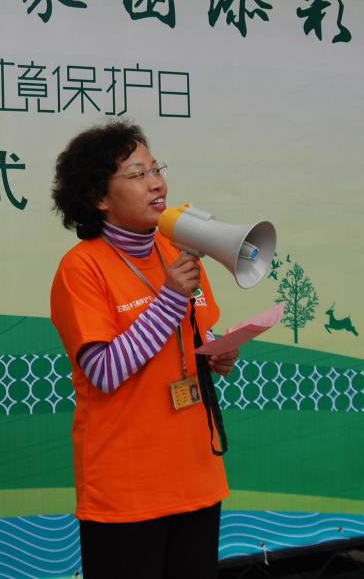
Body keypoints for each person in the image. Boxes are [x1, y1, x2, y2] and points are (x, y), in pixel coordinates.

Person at [49, 120, 239, 578]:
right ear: (98, 197)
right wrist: (169, 299)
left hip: (196, 473)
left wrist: (217, 354)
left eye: (156, 169)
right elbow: (104, 371)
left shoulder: (178, 250)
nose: (156, 184)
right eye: (137, 174)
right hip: (127, 488)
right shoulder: (81, 269)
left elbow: (195, 335)